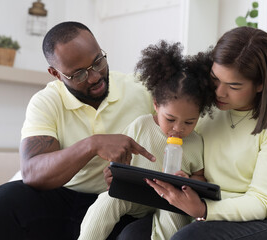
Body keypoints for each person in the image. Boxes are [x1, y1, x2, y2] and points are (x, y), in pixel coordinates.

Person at [0, 21, 267, 240]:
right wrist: (95, 148)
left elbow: (191, 89)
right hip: (95, 196)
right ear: (55, 73)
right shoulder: (46, 103)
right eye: (78, 73)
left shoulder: (146, 90)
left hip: (171, 202)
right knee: (0, 203)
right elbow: (33, 172)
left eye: (97, 62)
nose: (93, 76)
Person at [142, 26, 267, 239]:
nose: (219, 92)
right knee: (132, 233)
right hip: (208, 205)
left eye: (234, 86)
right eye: (215, 78)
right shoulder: (203, 107)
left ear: (261, 84)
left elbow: (262, 202)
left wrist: (203, 210)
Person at [78, 40, 214, 240]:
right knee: (107, 201)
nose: (178, 128)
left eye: (189, 122)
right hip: (137, 194)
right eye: (170, 119)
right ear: (156, 105)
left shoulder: (195, 142)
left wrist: (189, 182)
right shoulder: (141, 125)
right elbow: (119, 158)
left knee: (174, 219)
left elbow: (200, 176)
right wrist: (114, 171)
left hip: (172, 200)